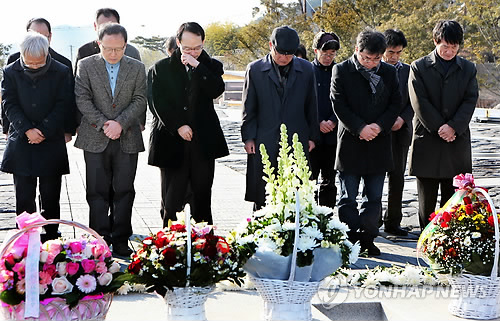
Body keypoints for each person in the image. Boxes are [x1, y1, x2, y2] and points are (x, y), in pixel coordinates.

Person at [74, 23, 147, 257]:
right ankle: (98, 240)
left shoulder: (136, 67)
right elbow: (82, 98)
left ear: (126, 45)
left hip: (127, 137)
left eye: (118, 49)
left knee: (124, 190)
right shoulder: (85, 65)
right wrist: (105, 123)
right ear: (99, 44)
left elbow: (140, 98)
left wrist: (121, 124)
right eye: (108, 49)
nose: (113, 54)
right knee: (96, 191)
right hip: (95, 136)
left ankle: (122, 239)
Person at [148, 22, 228, 226]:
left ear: (203, 43)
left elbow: (215, 90)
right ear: (178, 43)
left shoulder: (211, 66)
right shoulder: (161, 68)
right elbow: (157, 103)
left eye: (197, 47)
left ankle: (204, 246)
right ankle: (169, 245)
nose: (192, 52)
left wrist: (198, 66)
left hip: (203, 141)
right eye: (187, 48)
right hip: (172, 140)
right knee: (172, 197)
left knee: (202, 195)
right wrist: (178, 126)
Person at [330, 28, 401, 256]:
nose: (370, 63)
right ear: (356, 51)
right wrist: (360, 128)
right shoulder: (341, 70)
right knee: (347, 197)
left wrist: (379, 126)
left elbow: (395, 103)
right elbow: (339, 104)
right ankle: (350, 240)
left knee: (374, 198)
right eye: (366, 58)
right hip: (351, 142)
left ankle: (368, 239)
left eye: (376, 59)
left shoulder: (389, 73)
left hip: (379, 143)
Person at [1, 32, 73, 241]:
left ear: (47, 54)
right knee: (23, 195)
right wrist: (26, 129)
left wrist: (44, 130)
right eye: (29, 62)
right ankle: (24, 238)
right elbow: (9, 103)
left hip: (50, 141)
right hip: (21, 141)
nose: (33, 66)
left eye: (38, 63)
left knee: (51, 195)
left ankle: (51, 236)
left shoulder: (61, 71)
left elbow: (63, 104)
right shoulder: (10, 71)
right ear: (22, 55)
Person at [408, 20, 478, 230]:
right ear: (435, 41)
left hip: (456, 141)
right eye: (445, 46)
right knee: (426, 201)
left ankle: (449, 245)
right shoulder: (419, 67)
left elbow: (470, 99)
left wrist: (454, 127)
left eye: (454, 47)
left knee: (454, 200)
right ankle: (426, 240)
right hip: (428, 140)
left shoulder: (468, 68)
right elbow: (419, 101)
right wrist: (440, 127)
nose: (449, 51)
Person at [241, 26, 319, 210]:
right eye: (280, 53)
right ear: (270, 46)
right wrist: (248, 137)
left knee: (295, 189)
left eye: (289, 54)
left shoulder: (307, 69)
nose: (284, 58)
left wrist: (312, 136)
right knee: (263, 190)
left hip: (296, 136)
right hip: (264, 137)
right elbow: (248, 108)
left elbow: (312, 105)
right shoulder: (255, 69)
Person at [2, 18, 76, 142]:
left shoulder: (62, 65)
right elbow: (8, 100)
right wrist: (8, 128)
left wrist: (68, 130)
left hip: (53, 131)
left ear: (50, 37)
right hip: (20, 130)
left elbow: (66, 101)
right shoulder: (13, 64)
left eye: (43, 36)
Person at [380, 29, 413, 236]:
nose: (394, 57)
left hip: (400, 131)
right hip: (378, 131)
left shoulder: (408, 71)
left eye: (399, 53)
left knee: (397, 177)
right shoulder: (374, 68)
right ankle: (371, 220)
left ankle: (393, 221)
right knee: (373, 177)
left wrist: (402, 119)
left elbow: (413, 101)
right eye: (391, 52)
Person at [310, 30, 340, 209]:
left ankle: (328, 217)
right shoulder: (307, 70)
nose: (328, 57)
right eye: (324, 53)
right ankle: (309, 219)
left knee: (330, 180)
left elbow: (345, 100)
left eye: (332, 54)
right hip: (313, 135)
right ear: (315, 51)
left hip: (333, 135)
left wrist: (333, 120)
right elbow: (303, 102)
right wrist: (319, 121)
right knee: (309, 180)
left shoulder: (341, 71)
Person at [74, 8, 141, 75]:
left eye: (112, 25)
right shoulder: (84, 51)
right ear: (95, 26)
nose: (107, 29)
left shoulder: (132, 52)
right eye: (102, 26)